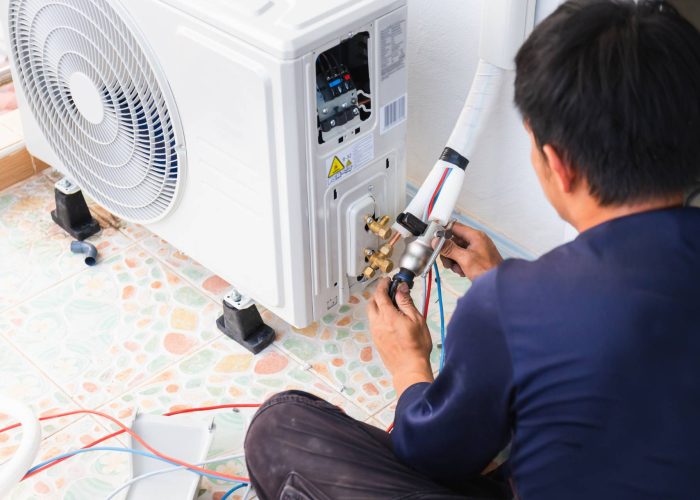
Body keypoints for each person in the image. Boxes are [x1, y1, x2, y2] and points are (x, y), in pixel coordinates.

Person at [244, 0, 700, 498]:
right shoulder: (519, 301)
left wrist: (408, 365)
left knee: (279, 426)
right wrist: (507, 290)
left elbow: (436, 456)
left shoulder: (510, 306)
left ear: (558, 164)